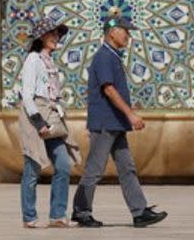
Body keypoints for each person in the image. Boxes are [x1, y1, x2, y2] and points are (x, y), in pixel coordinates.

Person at [72, 15, 168, 228]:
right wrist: (130, 114)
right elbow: (108, 89)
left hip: (115, 122)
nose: (128, 35)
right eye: (125, 30)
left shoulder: (113, 56)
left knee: (127, 168)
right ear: (112, 32)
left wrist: (127, 111)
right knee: (95, 169)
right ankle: (81, 211)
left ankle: (139, 212)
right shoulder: (105, 57)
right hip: (106, 123)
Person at [19, 16, 80, 228]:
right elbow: (27, 94)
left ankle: (57, 215)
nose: (56, 38)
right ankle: (29, 217)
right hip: (35, 116)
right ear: (42, 37)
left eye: (57, 34)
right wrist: (39, 122)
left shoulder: (50, 61)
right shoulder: (33, 59)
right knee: (32, 167)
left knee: (63, 164)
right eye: (53, 34)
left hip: (52, 116)